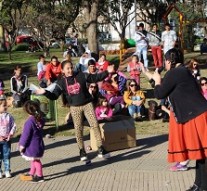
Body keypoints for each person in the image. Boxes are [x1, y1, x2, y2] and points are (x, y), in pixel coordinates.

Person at [144, 48, 207, 191]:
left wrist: (157, 79)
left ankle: (203, 186)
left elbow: (160, 93)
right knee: (200, 153)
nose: (165, 65)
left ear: (168, 61)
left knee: (202, 153)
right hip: (197, 113)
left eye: (165, 61)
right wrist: (153, 79)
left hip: (197, 115)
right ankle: (200, 185)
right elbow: (164, 89)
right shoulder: (182, 71)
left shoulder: (175, 73)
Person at [35, 60, 114, 161]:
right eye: (67, 68)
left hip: (87, 104)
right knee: (78, 129)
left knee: (95, 124)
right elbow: (54, 96)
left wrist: (107, 72)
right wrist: (45, 92)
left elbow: (95, 77)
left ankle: (101, 148)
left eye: (71, 67)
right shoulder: (61, 82)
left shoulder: (81, 75)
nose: (70, 70)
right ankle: (82, 151)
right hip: (74, 107)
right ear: (63, 70)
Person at [19, 100, 45, 183]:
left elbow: (25, 135)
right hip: (39, 145)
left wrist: (22, 145)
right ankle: (31, 173)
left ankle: (40, 176)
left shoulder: (29, 122)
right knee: (33, 160)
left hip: (32, 146)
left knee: (36, 161)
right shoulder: (39, 119)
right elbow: (43, 122)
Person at [0, 95, 16, 178]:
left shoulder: (9, 116)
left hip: (7, 140)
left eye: (6, 105)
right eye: (3, 105)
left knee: (6, 155)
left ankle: (7, 170)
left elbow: (13, 125)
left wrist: (11, 134)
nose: (5, 107)